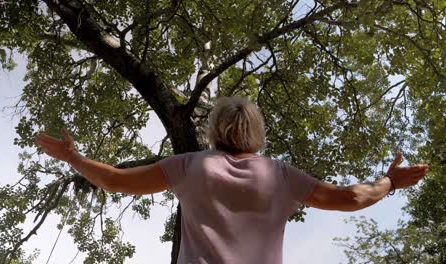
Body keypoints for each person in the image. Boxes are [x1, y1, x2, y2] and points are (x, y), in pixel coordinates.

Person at [34, 96, 429, 264]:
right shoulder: (281, 175)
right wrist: (389, 182)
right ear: (257, 131)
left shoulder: (190, 166)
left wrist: (75, 157)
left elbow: (117, 182)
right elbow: (352, 198)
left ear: (214, 129)